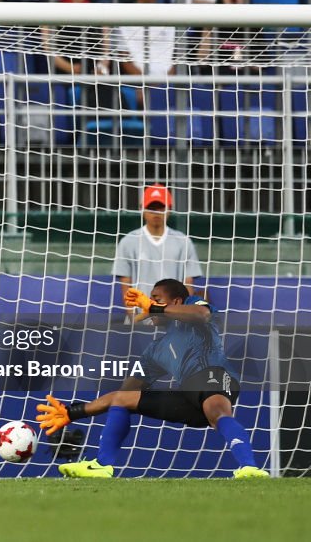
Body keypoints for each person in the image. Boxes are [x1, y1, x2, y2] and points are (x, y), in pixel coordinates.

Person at [36, 279, 269, 479]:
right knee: (122, 399)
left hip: (216, 376)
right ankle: (101, 466)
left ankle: (249, 468)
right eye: (150, 300)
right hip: (189, 395)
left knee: (216, 409)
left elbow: (202, 314)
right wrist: (72, 412)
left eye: (156, 298)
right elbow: (121, 394)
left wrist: (154, 308)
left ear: (176, 301)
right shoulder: (155, 351)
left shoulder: (192, 304)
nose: (148, 305)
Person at [112, 184, 203, 318]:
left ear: (169, 209)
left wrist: (183, 318)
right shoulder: (128, 241)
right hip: (141, 316)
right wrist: (133, 320)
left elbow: (188, 285)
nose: (156, 212)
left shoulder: (183, 242)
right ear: (142, 209)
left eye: (161, 207)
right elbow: (126, 286)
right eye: (151, 207)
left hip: (173, 318)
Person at [114, 0, 175, 85]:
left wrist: (165, 85)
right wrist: (145, 83)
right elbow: (123, 56)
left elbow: (176, 57)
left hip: (168, 83)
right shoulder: (122, 15)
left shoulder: (170, 15)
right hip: (135, 83)